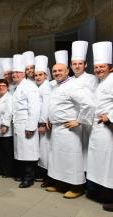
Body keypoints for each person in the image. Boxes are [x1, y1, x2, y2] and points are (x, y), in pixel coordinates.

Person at [47, 57, 95, 199]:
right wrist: (49, 118)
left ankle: (77, 187)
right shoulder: (56, 86)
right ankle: (62, 184)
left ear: (68, 71)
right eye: (54, 71)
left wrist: (79, 121)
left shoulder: (73, 85)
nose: (57, 73)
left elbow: (89, 104)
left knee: (71, 158)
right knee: (59, 158)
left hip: (69, 129)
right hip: (57, 128)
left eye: (60, 70)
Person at [86, 41, 113, 211]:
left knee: (109, 163)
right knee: (100, 162)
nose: (98, 70)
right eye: (96, 67)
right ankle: (102, 193)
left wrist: (109, 117)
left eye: (102, 67)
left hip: (108, 129)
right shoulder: (100, 82)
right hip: (97, 129)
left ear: (110, 67)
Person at [12, 54, 40, 188]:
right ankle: (24, 175)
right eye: (14, 72)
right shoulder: (18, 87)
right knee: (21, 151)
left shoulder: (30, 86)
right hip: (18, 124)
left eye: (17, 72)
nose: (15, 74)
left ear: (23, 74)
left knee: (28, 152)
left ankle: (29, 178)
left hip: (26, 124)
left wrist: (30, 126)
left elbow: (34, 108)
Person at [70, 41, 98, 171]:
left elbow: (92, 102)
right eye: (74, 64)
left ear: (85, 65)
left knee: (86, 151)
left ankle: (85, 181)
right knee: (73, 152)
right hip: (71, 121)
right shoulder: (69, 80)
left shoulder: (92, 79)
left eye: (80, 63)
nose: (77, 66)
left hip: (85, 121)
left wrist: (80, 119)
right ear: (70, 66)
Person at [34, 55, 52, 187]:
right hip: (39, 123)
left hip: (44, 124)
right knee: (42, 150)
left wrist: (41, 123)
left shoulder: (46, 87)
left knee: (46, 151)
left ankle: (49, 177)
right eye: (36, 75)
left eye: (40, 74)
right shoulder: (39, 87)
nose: (38, 77)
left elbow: (46, 106)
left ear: (46, 75)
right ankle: (44, 174)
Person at [0, 79, 14, 178]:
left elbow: (9, 112)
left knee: (7, 151)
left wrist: (5, 125)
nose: (1, 87)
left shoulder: (9, 98)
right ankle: (1, 169)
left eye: (3, 86)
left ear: (7, 88)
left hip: (5, 129)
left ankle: (8, 171)